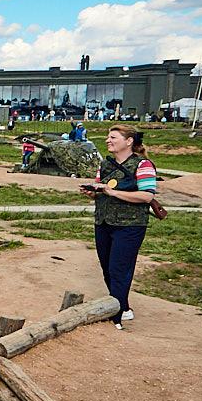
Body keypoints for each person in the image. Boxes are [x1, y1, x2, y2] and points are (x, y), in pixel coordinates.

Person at [80, 126, 157, 329]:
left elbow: (148, 195)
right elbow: (100, 187)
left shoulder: (143, 164)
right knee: (107, 268)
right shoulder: (106, 164)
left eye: (113, 137)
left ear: (129, 141)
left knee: (119, 269)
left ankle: (115, 317)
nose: (108, 140)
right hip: (104, 222)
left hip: (130, 225)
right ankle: (123, 306)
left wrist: (112, 192)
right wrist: (93, 192)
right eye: (108, 136)